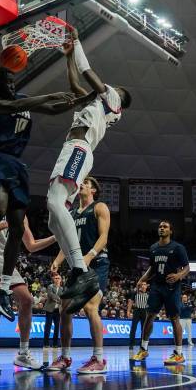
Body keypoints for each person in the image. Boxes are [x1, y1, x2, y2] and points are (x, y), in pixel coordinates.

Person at [0, 65, 84, 320]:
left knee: (18, 228)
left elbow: (54, 109)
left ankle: (4, 290)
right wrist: (50, 95)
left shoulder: (22, 100)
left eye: (13, 81)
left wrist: (83, 100)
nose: (11, 86)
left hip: (17, 165)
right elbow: (11, 108)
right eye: (7, 82)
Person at [45, 27, 131, 316]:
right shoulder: (93, 104)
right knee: (53, 223)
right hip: (69, 149)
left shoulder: (113, 104)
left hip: (79, 150)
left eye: (113, 87)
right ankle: (78, 271)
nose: (109, 87)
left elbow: (87, 71)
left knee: (55, 203)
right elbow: (75, 82)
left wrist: (78, 42)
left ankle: (81, 271)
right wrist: (68, 56)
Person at [0, 202, 56, 373]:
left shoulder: (22, 214)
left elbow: (31, 245)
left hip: (6, 260)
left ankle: (23, 354)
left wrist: (56, 237)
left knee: (27, 299)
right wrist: (7, 223)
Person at [48, 176, 111, 374]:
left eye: (85, 183)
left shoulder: (100, 207)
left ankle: (98, 359)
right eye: (81, 182)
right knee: (64, 309)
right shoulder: (72, 213)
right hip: (76, 266)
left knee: (91, 307)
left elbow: (104, 237)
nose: (81, 184)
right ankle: (65, 357)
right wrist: (58, 261)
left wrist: (90, 256)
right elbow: (67, 242)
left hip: (96, 263)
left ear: (93, 190)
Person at [131, 221, 190, 365]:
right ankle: (143, 349)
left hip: (172, 287)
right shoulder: (153, 248)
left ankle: (178, 353)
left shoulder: (178, 248)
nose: (162, 228)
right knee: (149, 316)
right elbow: (152, 269)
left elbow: (187, 267)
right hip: (157, 286)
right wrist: (142, 279)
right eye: (160, 227)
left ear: (171, 231)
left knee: (174, 318)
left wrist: (178, 276)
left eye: (165, 227)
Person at [127, 282, 149, 350]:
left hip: (144, 311)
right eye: (142, 284)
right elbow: (131, 301)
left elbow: (150, 304)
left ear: (146, 286)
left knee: (144, 329)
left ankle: (142, 344)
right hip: (137, 311)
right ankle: (131, 344)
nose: (143, 286)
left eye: (144, 284)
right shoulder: (135, 293)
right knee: (133, 328)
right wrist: (128, 311)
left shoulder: (148, 294)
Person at [43, 274, 63, 348]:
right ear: (53, 279)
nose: (57, 279)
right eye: (56, 278)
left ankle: (55, 344)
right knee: (48, 326)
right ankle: (46, 343)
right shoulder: (50, 286)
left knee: (57, 327)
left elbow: (63, 298)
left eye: (58, 278)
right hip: (50, 310)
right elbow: (51, 295)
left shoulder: (62, 289)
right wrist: (59, 299)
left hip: (58, 311)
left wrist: (59, 299)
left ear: (61, 280)